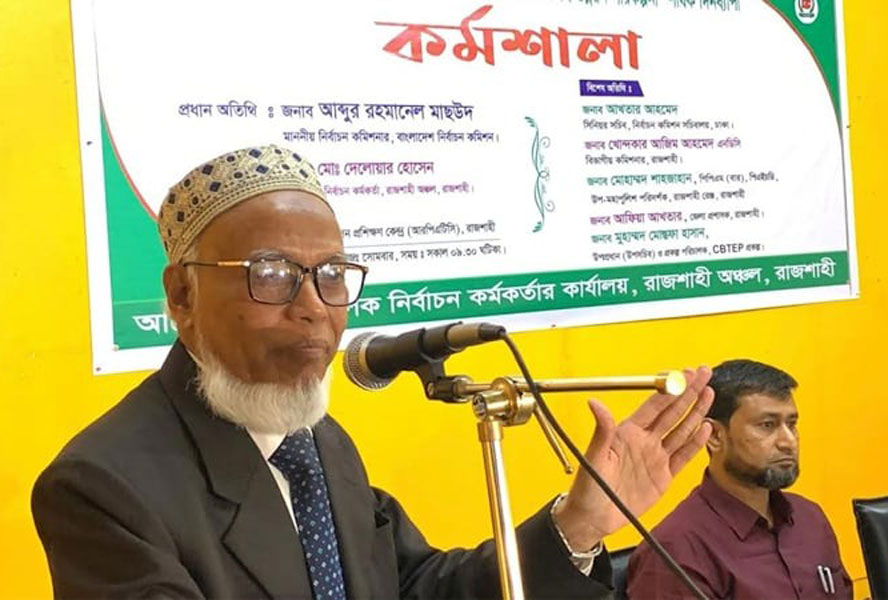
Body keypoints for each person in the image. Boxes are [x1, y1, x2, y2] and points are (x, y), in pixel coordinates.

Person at [33, 144, 714, 599]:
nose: (314, 310)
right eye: (271, 275)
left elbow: (415, 587)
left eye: (332, 275)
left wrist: (579, 522)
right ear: (182, 297)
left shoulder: (316, 444)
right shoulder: (103, 488)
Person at [627, 359, 852, 599]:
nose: (788, 441)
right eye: (767, 425)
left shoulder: (809, 517)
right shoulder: (676, 550)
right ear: (714, 435)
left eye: (792, 424)